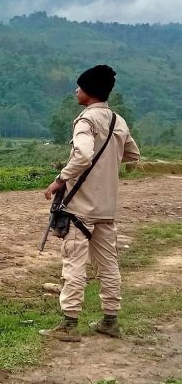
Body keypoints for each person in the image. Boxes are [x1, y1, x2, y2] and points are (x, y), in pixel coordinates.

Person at [41, 65, 140, 342]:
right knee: (108, 265)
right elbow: (133, 154)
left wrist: (60, 179)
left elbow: (83, 155)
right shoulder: (117, 121)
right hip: (107, 209)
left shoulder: (86, 121)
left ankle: (69, 324)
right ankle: (110, 320)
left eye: (79, 87)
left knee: (74, 263)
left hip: (80, 210)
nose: (76, 91)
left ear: (88, 92)